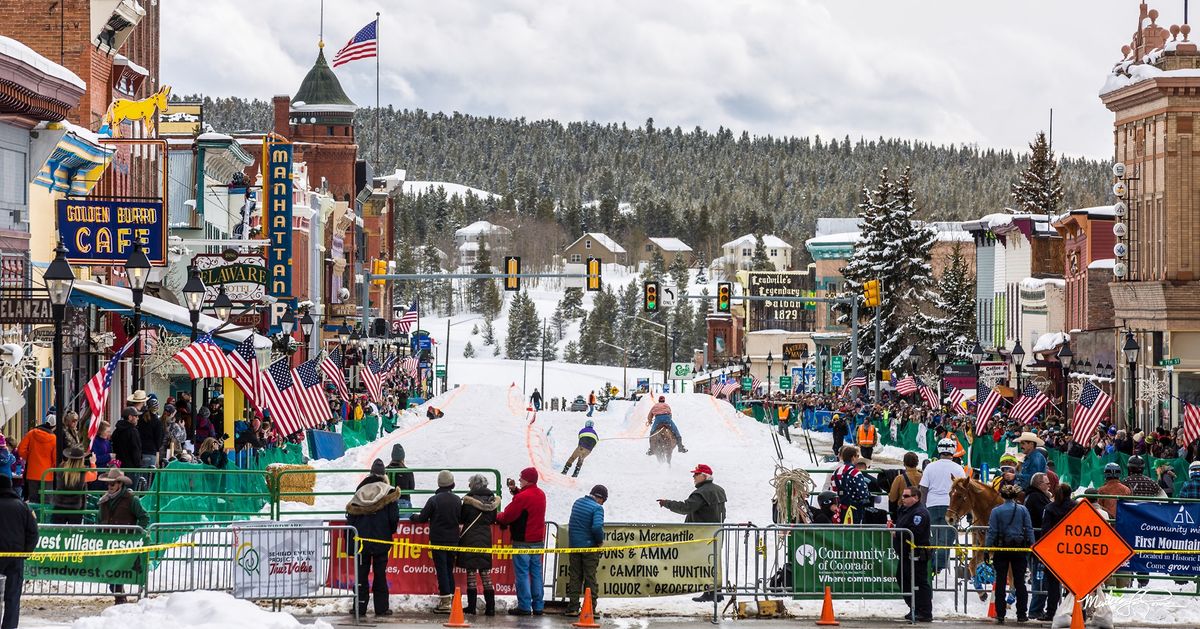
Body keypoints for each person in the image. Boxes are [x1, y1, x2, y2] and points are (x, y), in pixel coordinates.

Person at [657, 464, 726, 602]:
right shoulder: (719, 490)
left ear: (704, 476)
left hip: (702, 535)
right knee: (712, 562)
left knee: (705, 563)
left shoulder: (702, 492)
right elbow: (723, 513)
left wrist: (667, 503)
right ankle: (715, 592)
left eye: (696, 474)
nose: (693, 477)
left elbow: (686, 507)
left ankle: (711, 593)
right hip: (716, 532)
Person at [346, 471, 401, 617]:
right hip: (381, 541)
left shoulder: (360, 491)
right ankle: (381, 608)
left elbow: (350, 518)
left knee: (361, 575)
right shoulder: (388, 491)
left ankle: (360, 607)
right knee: (380, 574)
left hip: (362, 543)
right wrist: (389, 531)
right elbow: (394, 517)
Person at [408, 470, 462, 613]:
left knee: (442, 570)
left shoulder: (434, 500)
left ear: (439, 484)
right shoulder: (457, 500)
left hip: (438, 539)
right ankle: (452, 599)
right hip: (453, 540)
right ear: (452, 484)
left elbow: (422, 518)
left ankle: (445, 602)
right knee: (449, 569)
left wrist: (413, 517)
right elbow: (461, 518)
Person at [496, 467, 547, 616]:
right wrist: (516, 491)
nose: (519, 480)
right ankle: (538, 606)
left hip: (522, 541)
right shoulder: (540, 494)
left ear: (527, 479)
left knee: (523, 574)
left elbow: (508, 516)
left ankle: (524, 606)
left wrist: (497, 516)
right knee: (536, 573)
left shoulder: (523, 497)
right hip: (537, 541)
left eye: (521, 478)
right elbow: (526, 504)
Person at [97, 467, 148, 604]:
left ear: (120, 484)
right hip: (107, 542)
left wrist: (137, 535)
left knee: (117, 571)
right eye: (108, 484)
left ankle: (120, 598)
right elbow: (99, 521)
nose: (109, 486)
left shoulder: (132, 500)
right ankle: (120, 597)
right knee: (110, 572)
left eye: (112, 484)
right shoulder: (104, 501)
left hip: (124, 543)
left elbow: (144, 518)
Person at [986, 483, 1034, 624]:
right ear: (1015, 496)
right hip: (1019, 549)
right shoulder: (1023, 510)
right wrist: (1032, 545)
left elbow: (992, 532)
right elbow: (1029, 529)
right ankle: (1021, 613)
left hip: (1001, 549)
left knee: (1000, 581)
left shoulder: (996, 511)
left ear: (1002, 495)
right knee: (1020, 582)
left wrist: (987, 549)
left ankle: (1000, 613)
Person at [919, 438, 967, 573]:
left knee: (933, 537)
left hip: (932, 505)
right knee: (946, 539)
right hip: (950, 507)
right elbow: (963, 490)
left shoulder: (930, 466)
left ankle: (933, 564)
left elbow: (923, 489)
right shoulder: (958, 468)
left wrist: (923, 507)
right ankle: (938, 566)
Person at [563, 484, 607, 616]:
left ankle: (573, 608)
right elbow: (597, 527)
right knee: (590, 578)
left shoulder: (578, 502)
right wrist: (599, 541)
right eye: (604, 501)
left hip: (575, 546)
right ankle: (590, 609)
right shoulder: (597, 508)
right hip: (590, 548)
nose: (603, 504)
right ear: (600, 498)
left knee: (575, 577)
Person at [459, 474, 499, 616]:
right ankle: (491, 608)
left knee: (471, 573)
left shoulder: (469, 501)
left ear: (473, 485)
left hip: (470, 539)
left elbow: (462, 518)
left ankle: (471, 607)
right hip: (486, 538)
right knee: (485, 573)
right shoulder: (492, 501)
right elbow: (493, 519)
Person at [0, 472, 36, 629]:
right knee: (13, 596)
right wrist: (25, 552)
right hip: (16, 557)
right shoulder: (22, 506)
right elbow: (33, 533)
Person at [894, 486, 933, 623]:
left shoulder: (919, 513)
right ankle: (914, 607)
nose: (903, 498)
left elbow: (914, 532)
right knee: (904, 579)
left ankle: (925, 611)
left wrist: (896, 532)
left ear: (915, 497)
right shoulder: (905, 510)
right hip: (905, 553)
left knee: (919, 582)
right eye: (903, 496)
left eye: (906, 496)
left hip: (917, 554)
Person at [1038, 482, 1074, 621]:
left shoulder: (1049, 508)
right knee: (1072, 584)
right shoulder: (1076, 507)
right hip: (1072, 551)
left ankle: (1051, 612)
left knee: (1053, 585)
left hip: (1054, 552)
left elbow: (1045, 531)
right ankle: (1075, 611)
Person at [1024, 473, 1053, 620]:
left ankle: (1037, 608)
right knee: (1040, 579)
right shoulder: (1036, 498)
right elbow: (1046, 514)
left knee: (1041, 579)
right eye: (1046, 483)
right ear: (1038, 484)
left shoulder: (1035, 496)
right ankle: (1035, 610)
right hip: (1038, 544)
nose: (1049, 486)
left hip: (1037, 543)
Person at [15, 415, 56, 503]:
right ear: (54, 426)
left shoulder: (32, 433)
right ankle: (44, 517)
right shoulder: (54, 438)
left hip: (32, 473)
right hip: (47, 474)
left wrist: (30, 458)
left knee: (33, 500)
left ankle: (34, 517)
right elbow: (55, 458)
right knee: (46, 502)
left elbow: (21, 449)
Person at [50, 447, 93, 524]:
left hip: (59, 505)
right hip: (75, 507)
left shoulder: (62, 468)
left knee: (56, 532)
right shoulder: (83, 472)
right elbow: (94, 476)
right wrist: (93, 463)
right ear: (81, 459)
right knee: (73, 534)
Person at [829, 446, 872, 523]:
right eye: (857, 456)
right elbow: (862, 494)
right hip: (854, 510)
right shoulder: (856, 473)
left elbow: (833, 491)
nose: (858, 458)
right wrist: (868, 494)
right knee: (854, 533)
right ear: (853, 457)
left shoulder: (835, 472)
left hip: (840, 509)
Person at [888, 452, 922, 517]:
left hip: (904, 512)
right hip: (919, 510)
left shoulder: (900, 478)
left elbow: (892, 498)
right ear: (917, 463)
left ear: (904, 463)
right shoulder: (923, 477)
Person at [385, 443, 416, 509]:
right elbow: (412, 488)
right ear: (402, 457)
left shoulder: (385, 470)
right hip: (404, 503)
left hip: (387, 502)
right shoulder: (407, 472)